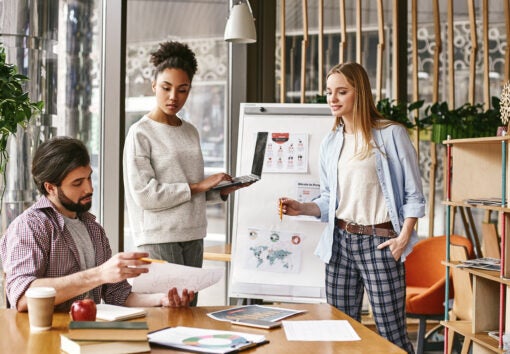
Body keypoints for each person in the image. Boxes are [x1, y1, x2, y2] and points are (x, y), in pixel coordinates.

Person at [278, 62, 425, 353]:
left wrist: (403, 238)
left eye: (341, 92)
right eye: (329, 92)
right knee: (340, 330)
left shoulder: (391, 134)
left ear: (360, 93)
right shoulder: (331, 142)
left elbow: (414, 194)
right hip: (340, 242)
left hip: (381, 243)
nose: (332, 99)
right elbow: (330, 198)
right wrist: (302, 208)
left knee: (391, 334)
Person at [0, 137, 194, 312]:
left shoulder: (93, 228)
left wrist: (162, 299)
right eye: (77, 183)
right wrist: (100, 274)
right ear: (50, 187)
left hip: (88, 335)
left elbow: (117, 295)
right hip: (46, 340)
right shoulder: (29, 226)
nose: (89, 188)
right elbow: (23, 297)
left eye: (89, 177)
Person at [122, 41, 244, 306]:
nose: (173, 97)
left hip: (193, 234)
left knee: (188, 313)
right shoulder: (140, 133)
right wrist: (199, 187)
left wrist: (217, 191)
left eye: (182, 90)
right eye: (166, 88)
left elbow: (190, 190)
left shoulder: (190, 131)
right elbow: (146, 195)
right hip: (158, 237)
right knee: (167, 313)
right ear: (153, 84)